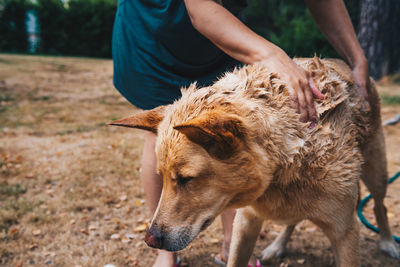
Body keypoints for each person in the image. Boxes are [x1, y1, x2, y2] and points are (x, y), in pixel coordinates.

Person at [112, 0, 370, 266]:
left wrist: (357, 58)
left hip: (225, 20)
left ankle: (230, 245)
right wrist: (272, 56)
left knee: (230, 134)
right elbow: (200, 8)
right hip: (157, 26)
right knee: (168, 136)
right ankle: (166, 254)